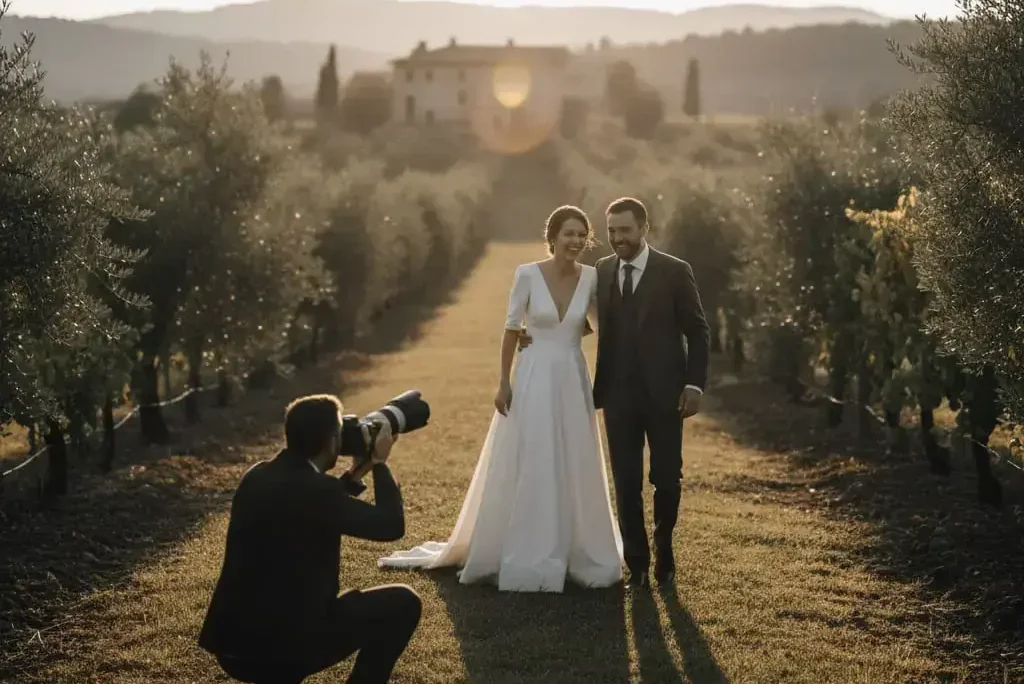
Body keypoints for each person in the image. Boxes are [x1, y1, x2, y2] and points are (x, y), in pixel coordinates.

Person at [377, 205, 623, 593]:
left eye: (581, 234)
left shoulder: (591, 277)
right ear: (553, 237)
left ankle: (577, 549)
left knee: (574, 453)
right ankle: (528, 548)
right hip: (533, 376)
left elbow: (596, 324)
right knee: (534, 453)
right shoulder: (527, 274)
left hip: (572, 377)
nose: (575, 241)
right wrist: (504, 383)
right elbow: (510, 329)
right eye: (568, 233)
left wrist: (559, 335)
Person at [197, 394, 422, 684]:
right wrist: (379, 464)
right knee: (404, 603)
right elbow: (390, 526)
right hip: (284, 649)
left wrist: (355, 474)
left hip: (233, 646)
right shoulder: (318, 493)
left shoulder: (257, 475)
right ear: (331, 442)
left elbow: (305, 504)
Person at [586, 196, 710, 589]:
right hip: (617, 395)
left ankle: (664, 546)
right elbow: (584, 320)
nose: (617, 238)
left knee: (667, 478)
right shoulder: (602, 270)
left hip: (666, 395)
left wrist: (694, 384)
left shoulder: (674, 271)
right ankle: (637, 564)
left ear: (644, 228)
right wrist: (533, 334)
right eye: (611, 230)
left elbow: (698, 331)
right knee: (625, 481)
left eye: (625, 230)